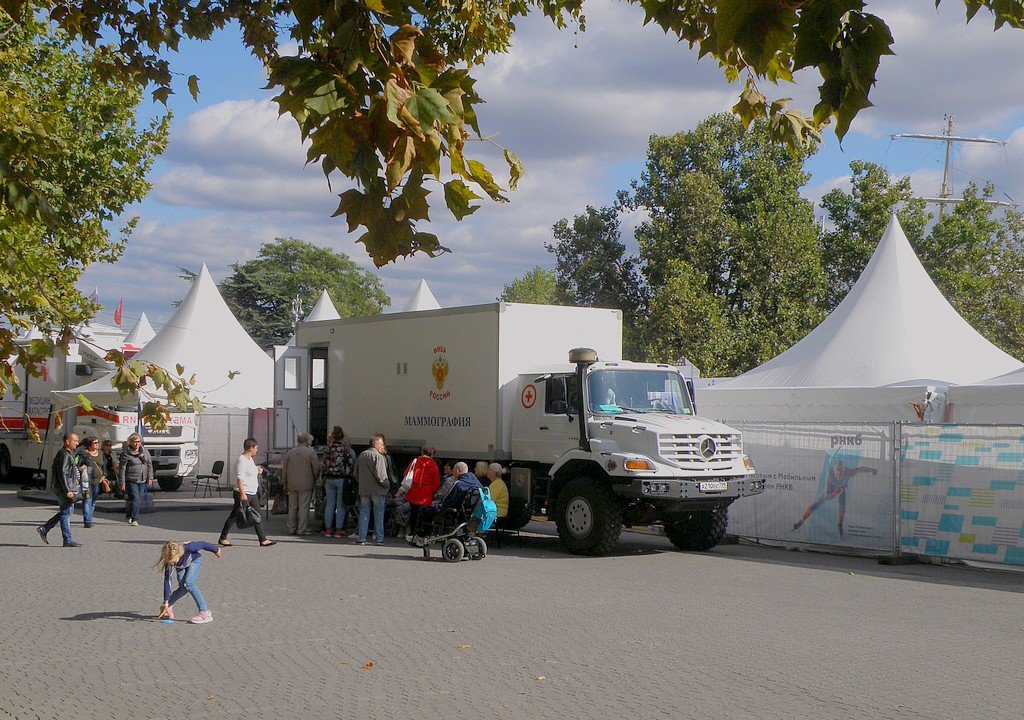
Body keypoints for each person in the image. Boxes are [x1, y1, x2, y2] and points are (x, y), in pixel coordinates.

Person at [792, 456, 878, 537]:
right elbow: (827, 497)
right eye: (837, 473)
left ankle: (840, 524)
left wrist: (872, 470)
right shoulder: (829, 475)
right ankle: (801, 521)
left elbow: (861, 469)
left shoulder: (849, 472)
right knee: (817, 504)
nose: (839, 475)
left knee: (842, 506)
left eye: (841, 473)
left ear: (844, 471)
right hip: (831, 488)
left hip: (842, 488)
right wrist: (834, 493)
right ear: (834, 471)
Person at [218, 438, 276, 547]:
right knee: (234, 516)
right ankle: (222, 538)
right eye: (256, 448)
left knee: (257, 515)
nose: (257, 450)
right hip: (244, 492)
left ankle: (263, 540)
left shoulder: (250, 459)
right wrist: (242, 493)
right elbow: (239, 479)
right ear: (251, 448)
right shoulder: (242, 460)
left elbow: (251, 471)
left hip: (252, 492)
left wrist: (259, 470)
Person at [411, 461, 482, 543]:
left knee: (424, 509)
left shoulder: (459, 484)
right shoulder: (476, 483)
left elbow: (447, 502)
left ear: (457, 471)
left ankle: (422, 535)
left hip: (453, 514)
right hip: (469, 514)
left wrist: (437, 506)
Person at [155, 540, 221, 625]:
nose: (171, 565)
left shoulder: (189, 547)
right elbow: (167, 581)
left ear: (178, 556)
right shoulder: (170, 560)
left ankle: (205, 613)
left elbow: (203, 544)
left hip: (194, 561)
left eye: (173, 563)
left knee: (189, 583)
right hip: (182, 566)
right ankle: (168, 608)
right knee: (183, 588)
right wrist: (166, 603)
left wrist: (216, 550)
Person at [36, 433, 83, 547]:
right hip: (65, 489)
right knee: (66, 514)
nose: (77, 443)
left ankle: (45, 528)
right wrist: (68, 490)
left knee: (65, 512)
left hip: (65, 488)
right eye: (75, 440)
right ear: (67, 441)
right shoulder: (64, 454)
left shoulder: (66, 454)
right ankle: (67, 539)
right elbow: (62, 473)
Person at [282, 433, 320, 536]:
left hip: (292, 483)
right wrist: (315, 478)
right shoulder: (311, 452)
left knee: (292, 507)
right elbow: (316, 468)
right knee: (304, 507)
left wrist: (284, 482)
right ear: (307, 441)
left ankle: (290, 528)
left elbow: (284, 469)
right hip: (306, 483)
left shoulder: (290, 452)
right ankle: (302, 529)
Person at [355, 433, 389, 545]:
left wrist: (362, 482)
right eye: (381, 444)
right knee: (379, 514)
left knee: (364, 513)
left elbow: (356, 473)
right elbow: (381, 476)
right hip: (378, 490)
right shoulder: (379, 457)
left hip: (364, 489)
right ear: (376, 445)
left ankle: (362, 538)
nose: (383, 446)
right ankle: (379, 539)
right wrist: (387, 486)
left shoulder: (362, 455)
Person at [322, 426, 356, 538]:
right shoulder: (345, 449)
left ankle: (328, 529)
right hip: (341, 478)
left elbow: (323, 463)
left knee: (330, 504)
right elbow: (350, 463)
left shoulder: (328, 448)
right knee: (341, 505)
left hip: (329, 479)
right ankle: (338, 530)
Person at [403, 445, 440, 542]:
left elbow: (406, 474)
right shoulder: (433, 465)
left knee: (414, 514)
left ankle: (412, 533)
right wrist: (432, 491)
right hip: (426, 494)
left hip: (414, 492)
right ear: (431, 454)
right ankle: (422, 535)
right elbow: (436, 482)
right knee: (424, 515)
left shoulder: (415, 461)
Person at [119, 432, 153, 526]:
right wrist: (122, 483)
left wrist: (150, 478)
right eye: (134, 442)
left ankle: (129, 515)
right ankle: (135, 519)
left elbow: (149, 465)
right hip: (131, 479)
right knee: (135, 499)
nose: (137, 444)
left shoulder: (145, 451)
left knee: (136, 499)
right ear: (130, 442)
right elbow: (122, 469)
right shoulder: (126, 453)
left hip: (142, 479)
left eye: (138, 441)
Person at [76, 436, 105, 528]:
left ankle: (89, 517)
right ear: (89, 445)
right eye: (95, 443)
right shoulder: (83, 454)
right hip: (86, 480)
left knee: (93, 500)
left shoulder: (100, 453)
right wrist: (80, 468)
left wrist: (104, 475)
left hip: (98, 480)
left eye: (98, 442)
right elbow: (75, 464)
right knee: (87, 499)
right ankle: (87, 521)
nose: (97, 444)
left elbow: (104, 465)